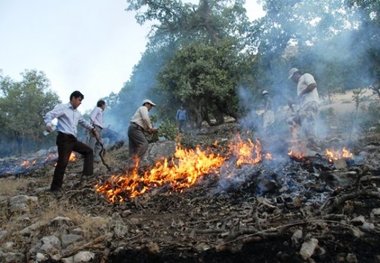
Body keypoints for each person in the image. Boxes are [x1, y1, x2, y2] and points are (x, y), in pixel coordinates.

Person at [44, 91, 99, 193]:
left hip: (73, 140)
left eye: (81, 101)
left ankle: (87, 176)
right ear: (73, 98)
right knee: (63, 162)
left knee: (89, 151)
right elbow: (49, 114)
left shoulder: (77, 113)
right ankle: (55, 189)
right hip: (64, 138)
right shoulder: (63, 107)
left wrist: (93, 129)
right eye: (79, 100)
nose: (80, 102)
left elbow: (83, 122)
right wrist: (48, 123)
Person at [288, 67, 320, 149]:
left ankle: (314, 144)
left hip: (311, 103)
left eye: (292, 77)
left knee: (309, 124)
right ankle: (306, 141)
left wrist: (301, 93)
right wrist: (292, 102)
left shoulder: (306, 76)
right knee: (294, 120)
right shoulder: (299, 84)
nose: (292, 80)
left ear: (296, 74)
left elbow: (313, 85)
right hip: (305, 106)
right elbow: (301, 99)